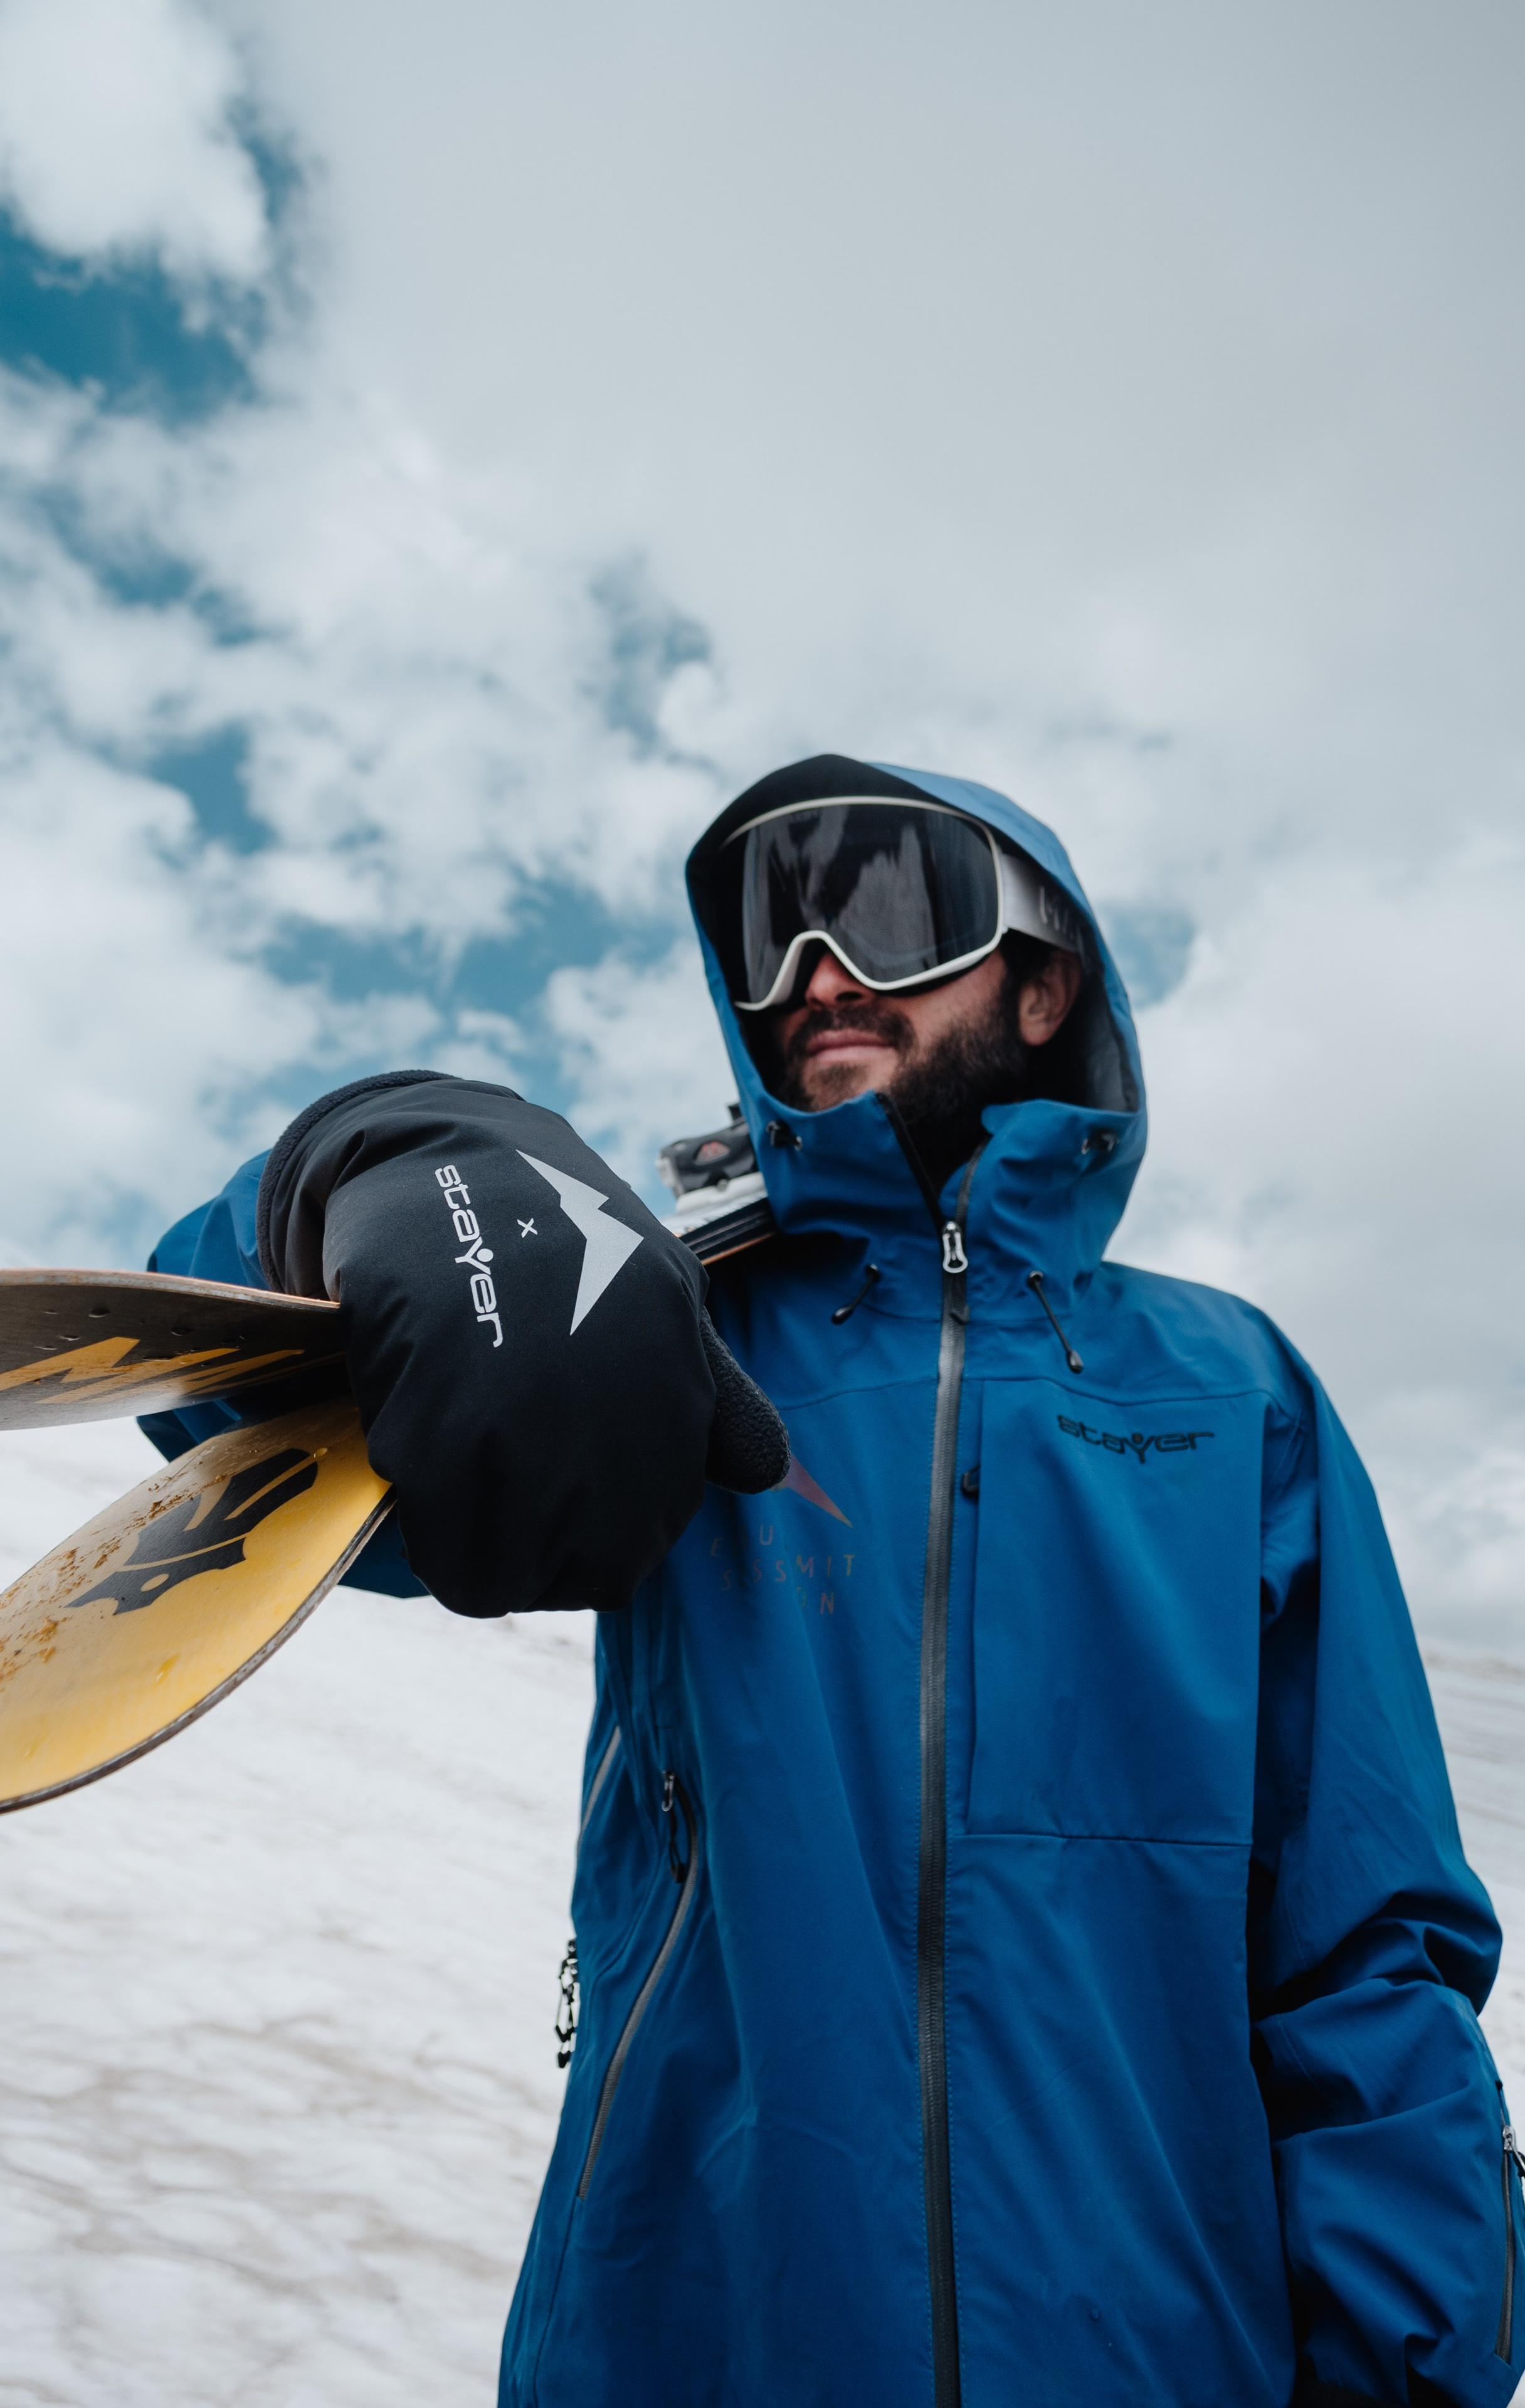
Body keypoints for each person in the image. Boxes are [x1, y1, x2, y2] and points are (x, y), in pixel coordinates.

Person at [144, 754, 1520, 2408]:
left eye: (883, 904)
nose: (815, 973)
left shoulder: (1234, 1392)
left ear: (1043, 982)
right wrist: (362, 1174)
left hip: (1153, 2354)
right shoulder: (655, 1335)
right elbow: (236, 1405)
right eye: (764, 928)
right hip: (696, 2339)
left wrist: (1409, 2371)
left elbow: (1363, 1951)